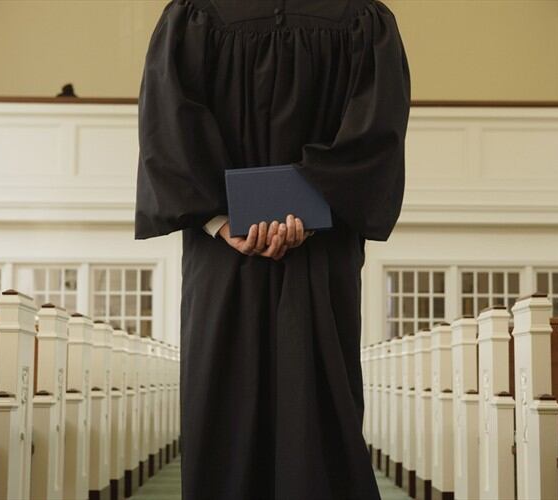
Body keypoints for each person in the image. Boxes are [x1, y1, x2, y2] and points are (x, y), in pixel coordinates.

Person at [134, 0, 410, 498]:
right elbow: (374, 135)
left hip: (237, 253)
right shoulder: (362, 19)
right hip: (303, 250)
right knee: (311, 414)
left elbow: (168, 129)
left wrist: (223, 220)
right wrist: (306, 210)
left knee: (235, 411)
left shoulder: (195, 15)